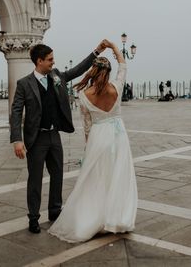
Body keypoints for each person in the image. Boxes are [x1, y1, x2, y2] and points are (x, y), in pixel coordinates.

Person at [10, 41, 106, 234]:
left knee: (58, 175)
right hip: (35, 139)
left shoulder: (57, 77)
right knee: (35, 179)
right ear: (39, 61)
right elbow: (16, 111)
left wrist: (96, 51)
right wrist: (17, 140)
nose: (53, 63)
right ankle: (34, 218)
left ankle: (55, 211)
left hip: (54, 136)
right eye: (50, 60)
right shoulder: (24, 84)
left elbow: (77, 70)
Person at [48, 40, 137, 243]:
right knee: (118, 176)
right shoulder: (117, 87)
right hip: (118, 137)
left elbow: (87, 126)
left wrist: (89, 147)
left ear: (92, 72)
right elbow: (123, 66)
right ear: (107, 72)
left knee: (95, 179)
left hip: (98, 137)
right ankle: (117, 217)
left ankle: (93, 216)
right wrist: (115, 48)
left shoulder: (83, 95)